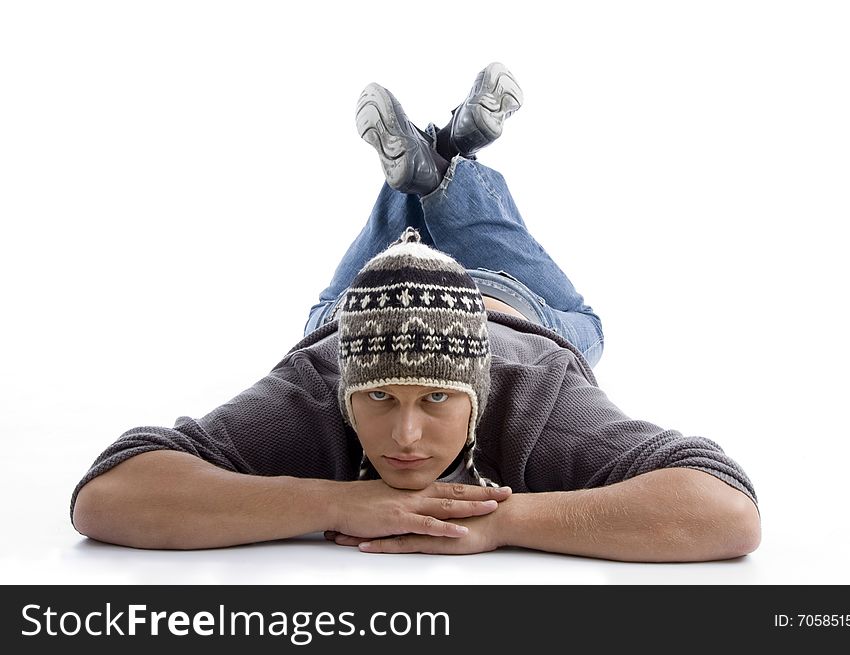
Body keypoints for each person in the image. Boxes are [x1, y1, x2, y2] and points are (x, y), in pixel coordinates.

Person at [71, 63, 761, 561]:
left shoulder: (537, 395)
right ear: (344, 386)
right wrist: (335, 501)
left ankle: (436, 162)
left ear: (479, 390)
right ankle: (446, 160)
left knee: (578, 325)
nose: (406, 432)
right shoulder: (317, 382)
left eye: (436, 395)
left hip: (507, 301)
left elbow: (728, 510)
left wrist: (504, 520)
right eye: (378, 396)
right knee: (578, 321)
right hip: (353, 316)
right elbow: (106, 493)